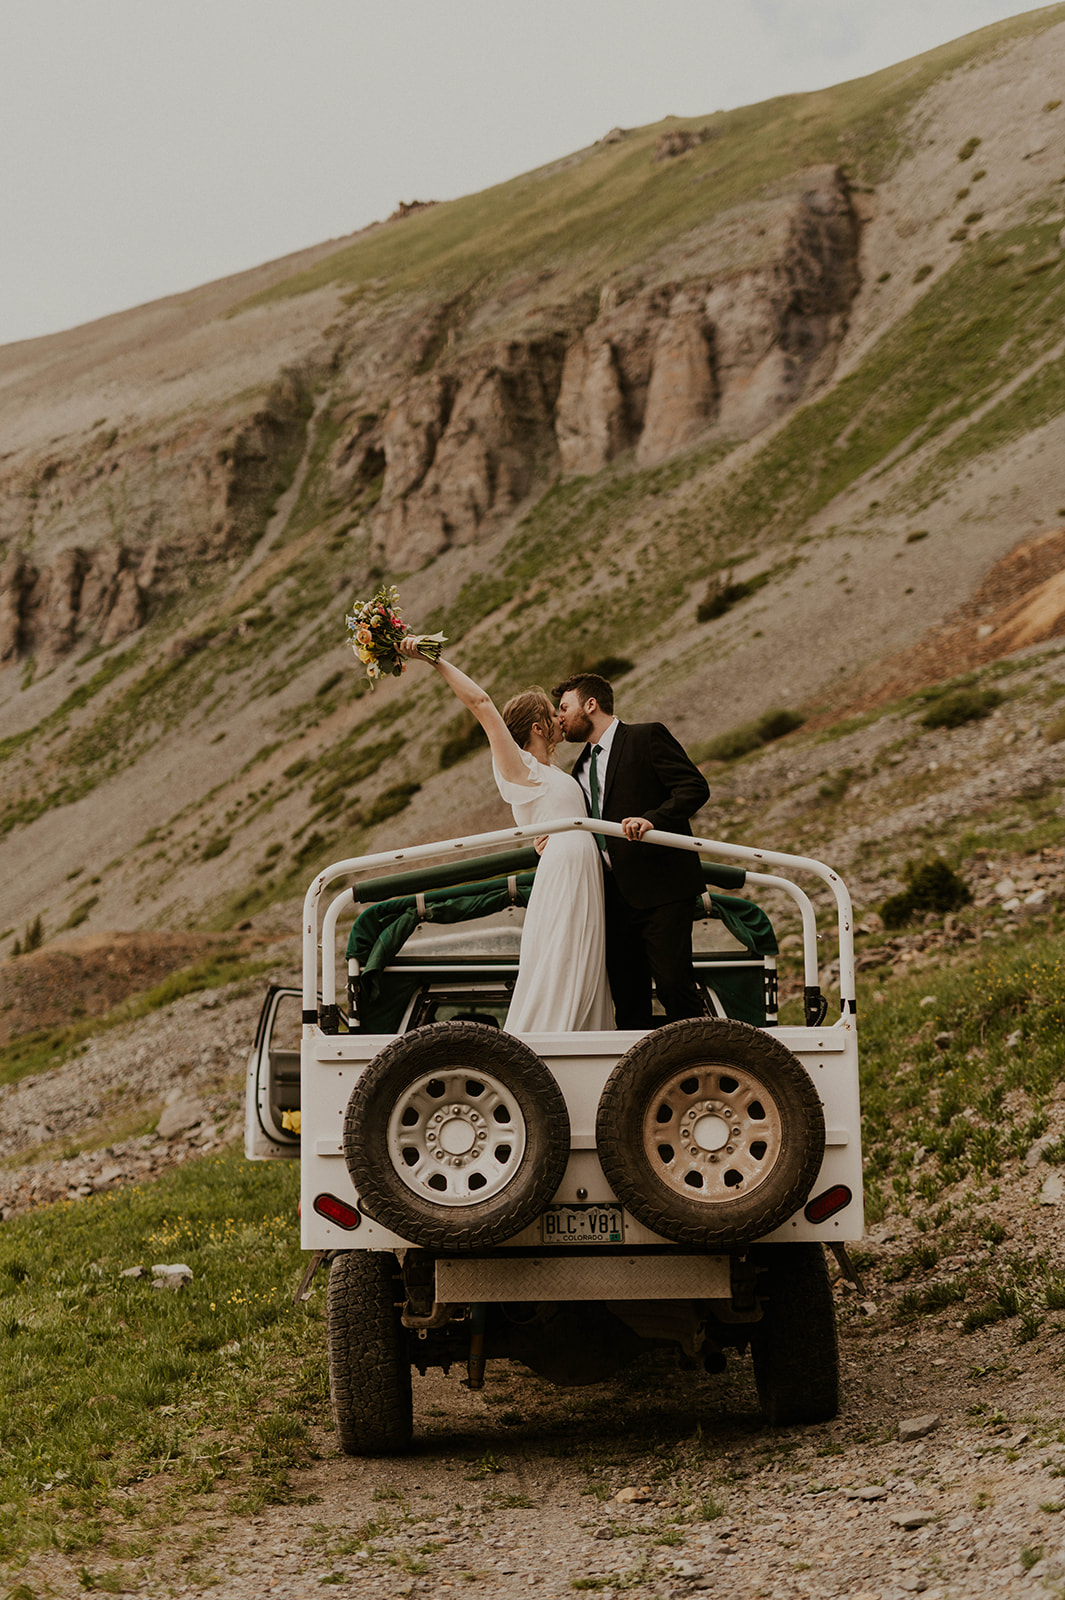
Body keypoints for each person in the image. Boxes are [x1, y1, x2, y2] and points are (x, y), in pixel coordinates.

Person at [399, 638, 613, 1033]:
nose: (560, 719)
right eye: (554, 714)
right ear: (537, 727)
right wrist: (434, 660)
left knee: (586, 967)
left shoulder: (553, 775)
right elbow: (481, 705)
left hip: (581, 870)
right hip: (566, 872)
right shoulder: (522, 768)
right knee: (563, 962)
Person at [554, 671, 710, 1030]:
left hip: (662, 890)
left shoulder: (646, 736)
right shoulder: (579, 767)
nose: (559, 717)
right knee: (626, 998)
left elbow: (693, 787)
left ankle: (698, 1061)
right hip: (609, 897)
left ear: (590, 705)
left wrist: (653, 820)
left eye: (564, 707)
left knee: (674, 986)